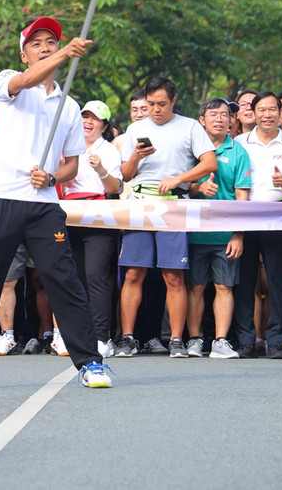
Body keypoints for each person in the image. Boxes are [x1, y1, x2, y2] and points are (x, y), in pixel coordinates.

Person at [0, 16, 111, 391]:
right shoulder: (9, 82)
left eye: (52, 41)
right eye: (36, 43)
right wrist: (66, 54)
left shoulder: (70, 106)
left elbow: (71, 164)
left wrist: (51, 178)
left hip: (43, 204)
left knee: (64, 280)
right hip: (1, 198)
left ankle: (90, 363)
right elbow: (28, 79)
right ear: (24, 53)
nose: (45, 47)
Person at [115, 76, 219, 358]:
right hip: (139, 204)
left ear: (173, 101)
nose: (155, 110)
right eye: (150, 104)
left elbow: (209, 163)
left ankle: (175, 339)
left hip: (173, 205)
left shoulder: (190, 127)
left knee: (173, 275)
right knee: (134, 272)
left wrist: (178, 179)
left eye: (161, 104)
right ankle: (127, 337)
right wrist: (136, 155)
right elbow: (124, 174)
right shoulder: (136, 128)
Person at [236, 91, 282, 359]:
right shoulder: (240, 142)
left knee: (277, 281)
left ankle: (276, 341)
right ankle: (245, 341)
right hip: (245, 215)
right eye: (261, 110)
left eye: (272, 109)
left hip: (277, 214)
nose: (267, 115)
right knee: (245, 282)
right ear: (253, 113)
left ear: (279, 112)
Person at [185, 98, 250, 359]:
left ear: (232, 121)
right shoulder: (191, 149)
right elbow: (181, 187)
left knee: (224, 287)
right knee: (195, 287)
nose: (220, 119)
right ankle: (194, 339)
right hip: (194, 231)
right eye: (214, 114)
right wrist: (198, 188)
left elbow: (242, 196)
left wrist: (238, 234)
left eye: (225, 115)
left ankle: (220, 341)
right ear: (202, 120)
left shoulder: (238, 152)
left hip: (226, 234)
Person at [62, 100, 122, 357]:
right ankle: (75, 336)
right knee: (72, 279)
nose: (88, 122)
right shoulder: (68, 146)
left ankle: (101, 337)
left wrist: (100, 170)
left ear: (104, 125)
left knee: (96, 278)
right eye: (84, 117)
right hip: (68, 217)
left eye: (94, 119)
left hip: (98, 218)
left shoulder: (108, 150)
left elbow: (114, 188)